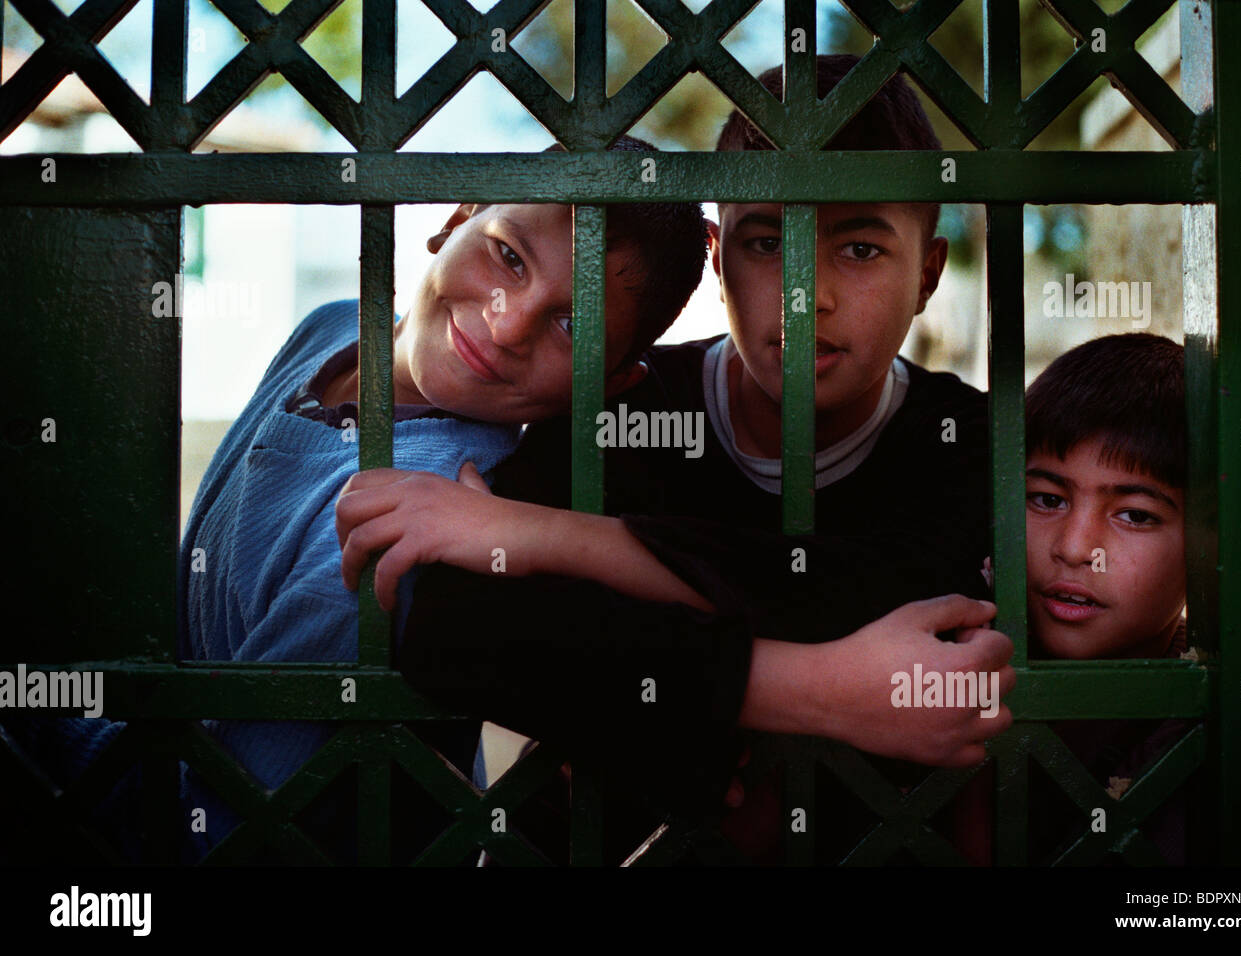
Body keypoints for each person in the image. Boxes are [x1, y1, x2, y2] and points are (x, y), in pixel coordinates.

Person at [335, 58, 1015, 863]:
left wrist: (549, 540)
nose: (808, 294)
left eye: (860, 249)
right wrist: (811, 691)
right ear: (719, 258)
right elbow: (452, 627)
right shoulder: (629, 407)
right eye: (767, 242)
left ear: (928, 274)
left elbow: (891, 595)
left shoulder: (969, 439)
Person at [4, 135, 710, 864]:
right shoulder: (334, 329)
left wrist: (32, 707)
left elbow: (219, 826)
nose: (505, 324)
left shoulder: (412, 528)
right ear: (457, 216)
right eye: (507, 255)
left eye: (572, 325)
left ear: (611, 382)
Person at [950, 333, 1193, 864]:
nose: (1076, 548)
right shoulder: (950, 653)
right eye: (1046, 499)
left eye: (1135, 514)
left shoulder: (1200, 726)